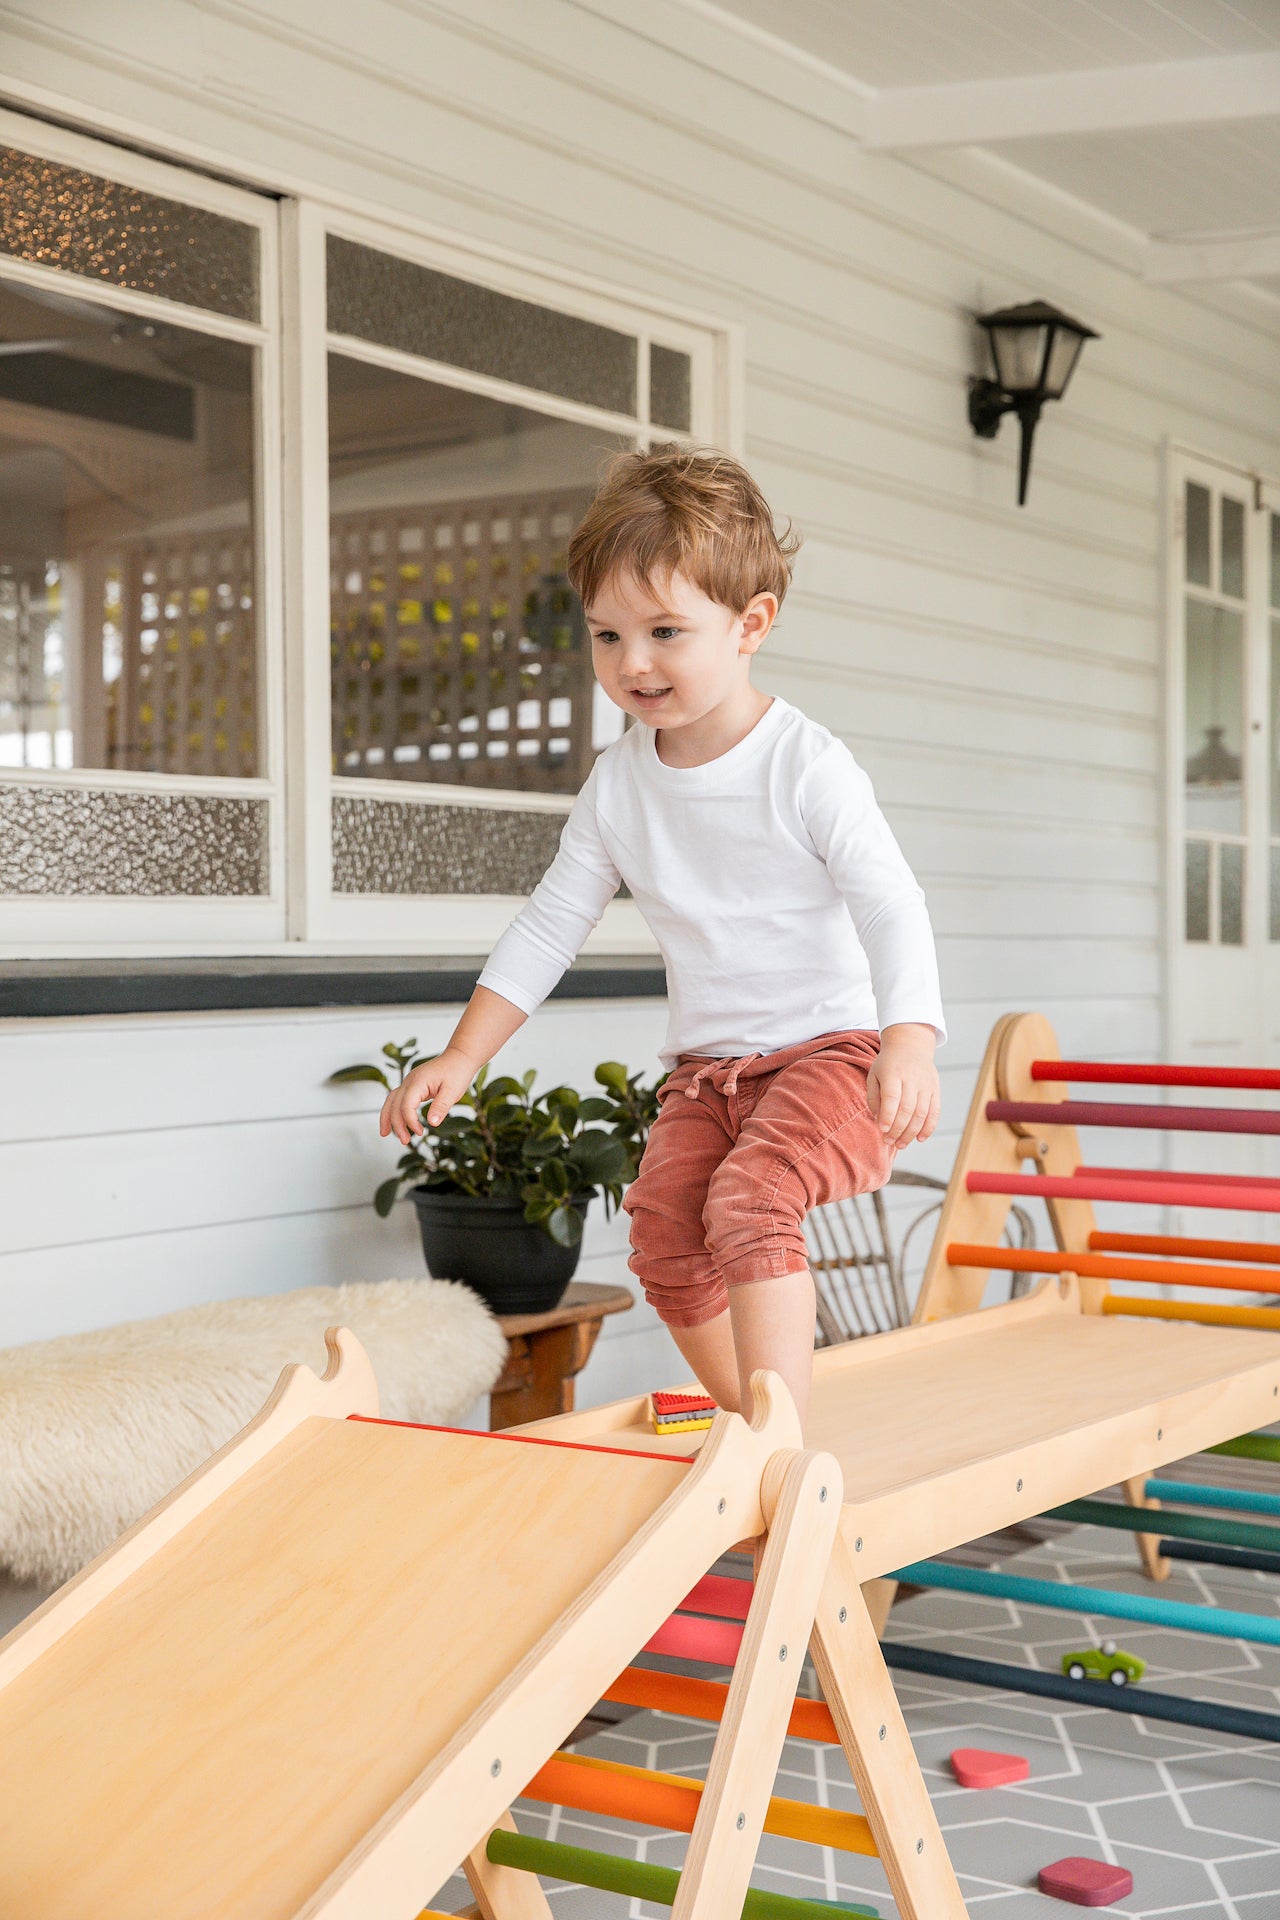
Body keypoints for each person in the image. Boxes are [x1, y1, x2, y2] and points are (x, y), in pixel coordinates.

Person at [380, 446, 944, 1429]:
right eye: (606, 634)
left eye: (664, 631)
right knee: (663, 1242)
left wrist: (909, 1037)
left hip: (830, 1056)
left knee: (751, 1203)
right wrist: (462, 1055)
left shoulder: (804, 766)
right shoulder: (620, 783)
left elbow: (888, 901)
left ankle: (780, 1441)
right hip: (707, 1075)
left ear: (750, 625)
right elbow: (551, 921)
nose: (630, 662)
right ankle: (755, 1426)